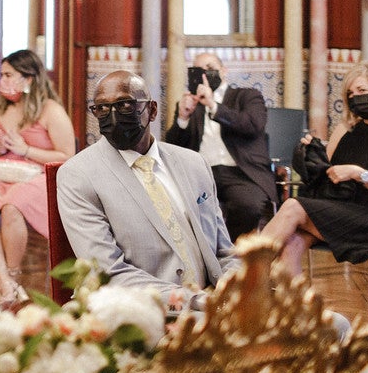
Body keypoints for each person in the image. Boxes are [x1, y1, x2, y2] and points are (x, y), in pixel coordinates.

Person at [57, 70, 237, 311]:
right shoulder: (79, 175)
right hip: (140, 311)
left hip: (214, 304)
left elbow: (224, 250)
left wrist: (235, 289)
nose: (112, 117)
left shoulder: (194, 163)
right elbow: (106, 271)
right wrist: (194, 301)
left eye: (124, 106)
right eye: (101, 108)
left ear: (152, 110)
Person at [261, 60, 368, 276]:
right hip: (340, 209)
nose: (356, 98)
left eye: (362, 90)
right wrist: (309, 154)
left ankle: (241, 277)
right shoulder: (346, 129)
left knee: (292, 207)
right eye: (351, 94)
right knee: (292, 243)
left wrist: (357, 173)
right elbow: (325, 175)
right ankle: (290, 305)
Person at [0, 49, 75, 305]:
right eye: (2, 75)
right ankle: (4, 281)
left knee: (11, 207)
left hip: (39, 172)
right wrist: (3, 148)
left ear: (28, 79)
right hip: (3, 169)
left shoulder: (51, 110)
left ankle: (12, 276)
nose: (2, 81)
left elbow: (68, 156)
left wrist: (25, 149)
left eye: (9, 75)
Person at [162, 52, 276, 238]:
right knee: (177, 206)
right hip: (202, 175)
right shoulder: (190, 104)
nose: (205, 74)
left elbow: (252, 125)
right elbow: (173, 149)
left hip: (242, 174)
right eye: (199, 70)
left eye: (210, 68)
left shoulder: (247, 96)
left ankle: (230, 256)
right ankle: (203, 258)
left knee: (247, 206)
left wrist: (213, 105)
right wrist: (183, 117)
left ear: (224, 71)